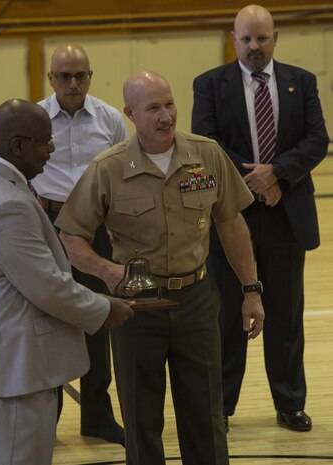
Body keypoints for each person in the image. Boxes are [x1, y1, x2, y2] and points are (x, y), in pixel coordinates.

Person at [55, 71, 265, 465]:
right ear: (130, 113)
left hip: (196, 301)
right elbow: (70, 237)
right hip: (137, 310)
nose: (166, 116)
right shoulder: (109, 168)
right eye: (153, 108)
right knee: (141, 418)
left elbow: (231, 223)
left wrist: (251, 291)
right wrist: (108, 271)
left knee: (206, 416)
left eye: (169, 104)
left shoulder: (207, 155)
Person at [0, 99, 134, 465]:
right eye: (45, 141)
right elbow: (48, 287)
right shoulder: (7, 204)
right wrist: (103, 308)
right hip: (17, 374)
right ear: (18, 146)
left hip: (7, 370)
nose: (52, 149)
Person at [192, 4, 329, 433]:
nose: (254, 46)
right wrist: (253, 181)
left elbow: (316, 139)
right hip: (232, 216)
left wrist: (278, 174)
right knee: (227, 316)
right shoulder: (210, 85)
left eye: (262, 38)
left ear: (276, 38)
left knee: (286, 315)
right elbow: (205, 142)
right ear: (234, 39)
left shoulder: (301, 83)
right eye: (246, 39)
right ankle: (222, 407)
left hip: (286, 216)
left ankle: (290, 403)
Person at [32, 43, 129, 444]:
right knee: (50, 320)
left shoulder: (110, 119)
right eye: (65, 76)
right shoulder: (35, 118)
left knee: (97, 318)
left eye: (81, 76)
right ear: (51, 78)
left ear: (91, 75)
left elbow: (126, 172)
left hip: (96, 228)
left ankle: (97, 417)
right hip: (48, 224)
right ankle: (46, 419)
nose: (73, 83)